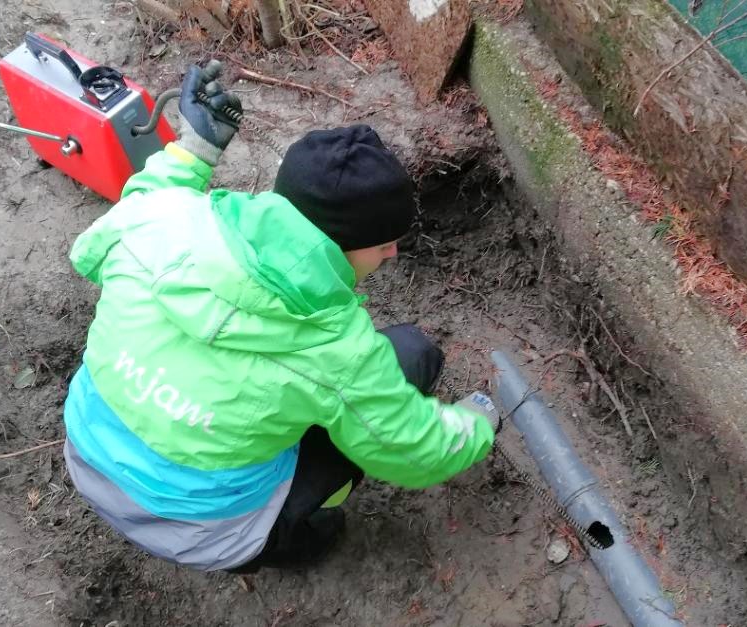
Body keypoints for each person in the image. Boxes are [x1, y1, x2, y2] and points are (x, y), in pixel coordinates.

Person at [62, 61, 498, 572]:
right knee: (411, 357)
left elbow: (138, 208)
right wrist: (478, 423)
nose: (393, 255)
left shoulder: (162, 222)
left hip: (88, 455)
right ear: (342, 245)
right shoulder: (338, 351)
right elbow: (412, 449)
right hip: (207, 534)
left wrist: (193, 150)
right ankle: (298, 537)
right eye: (383, 244)